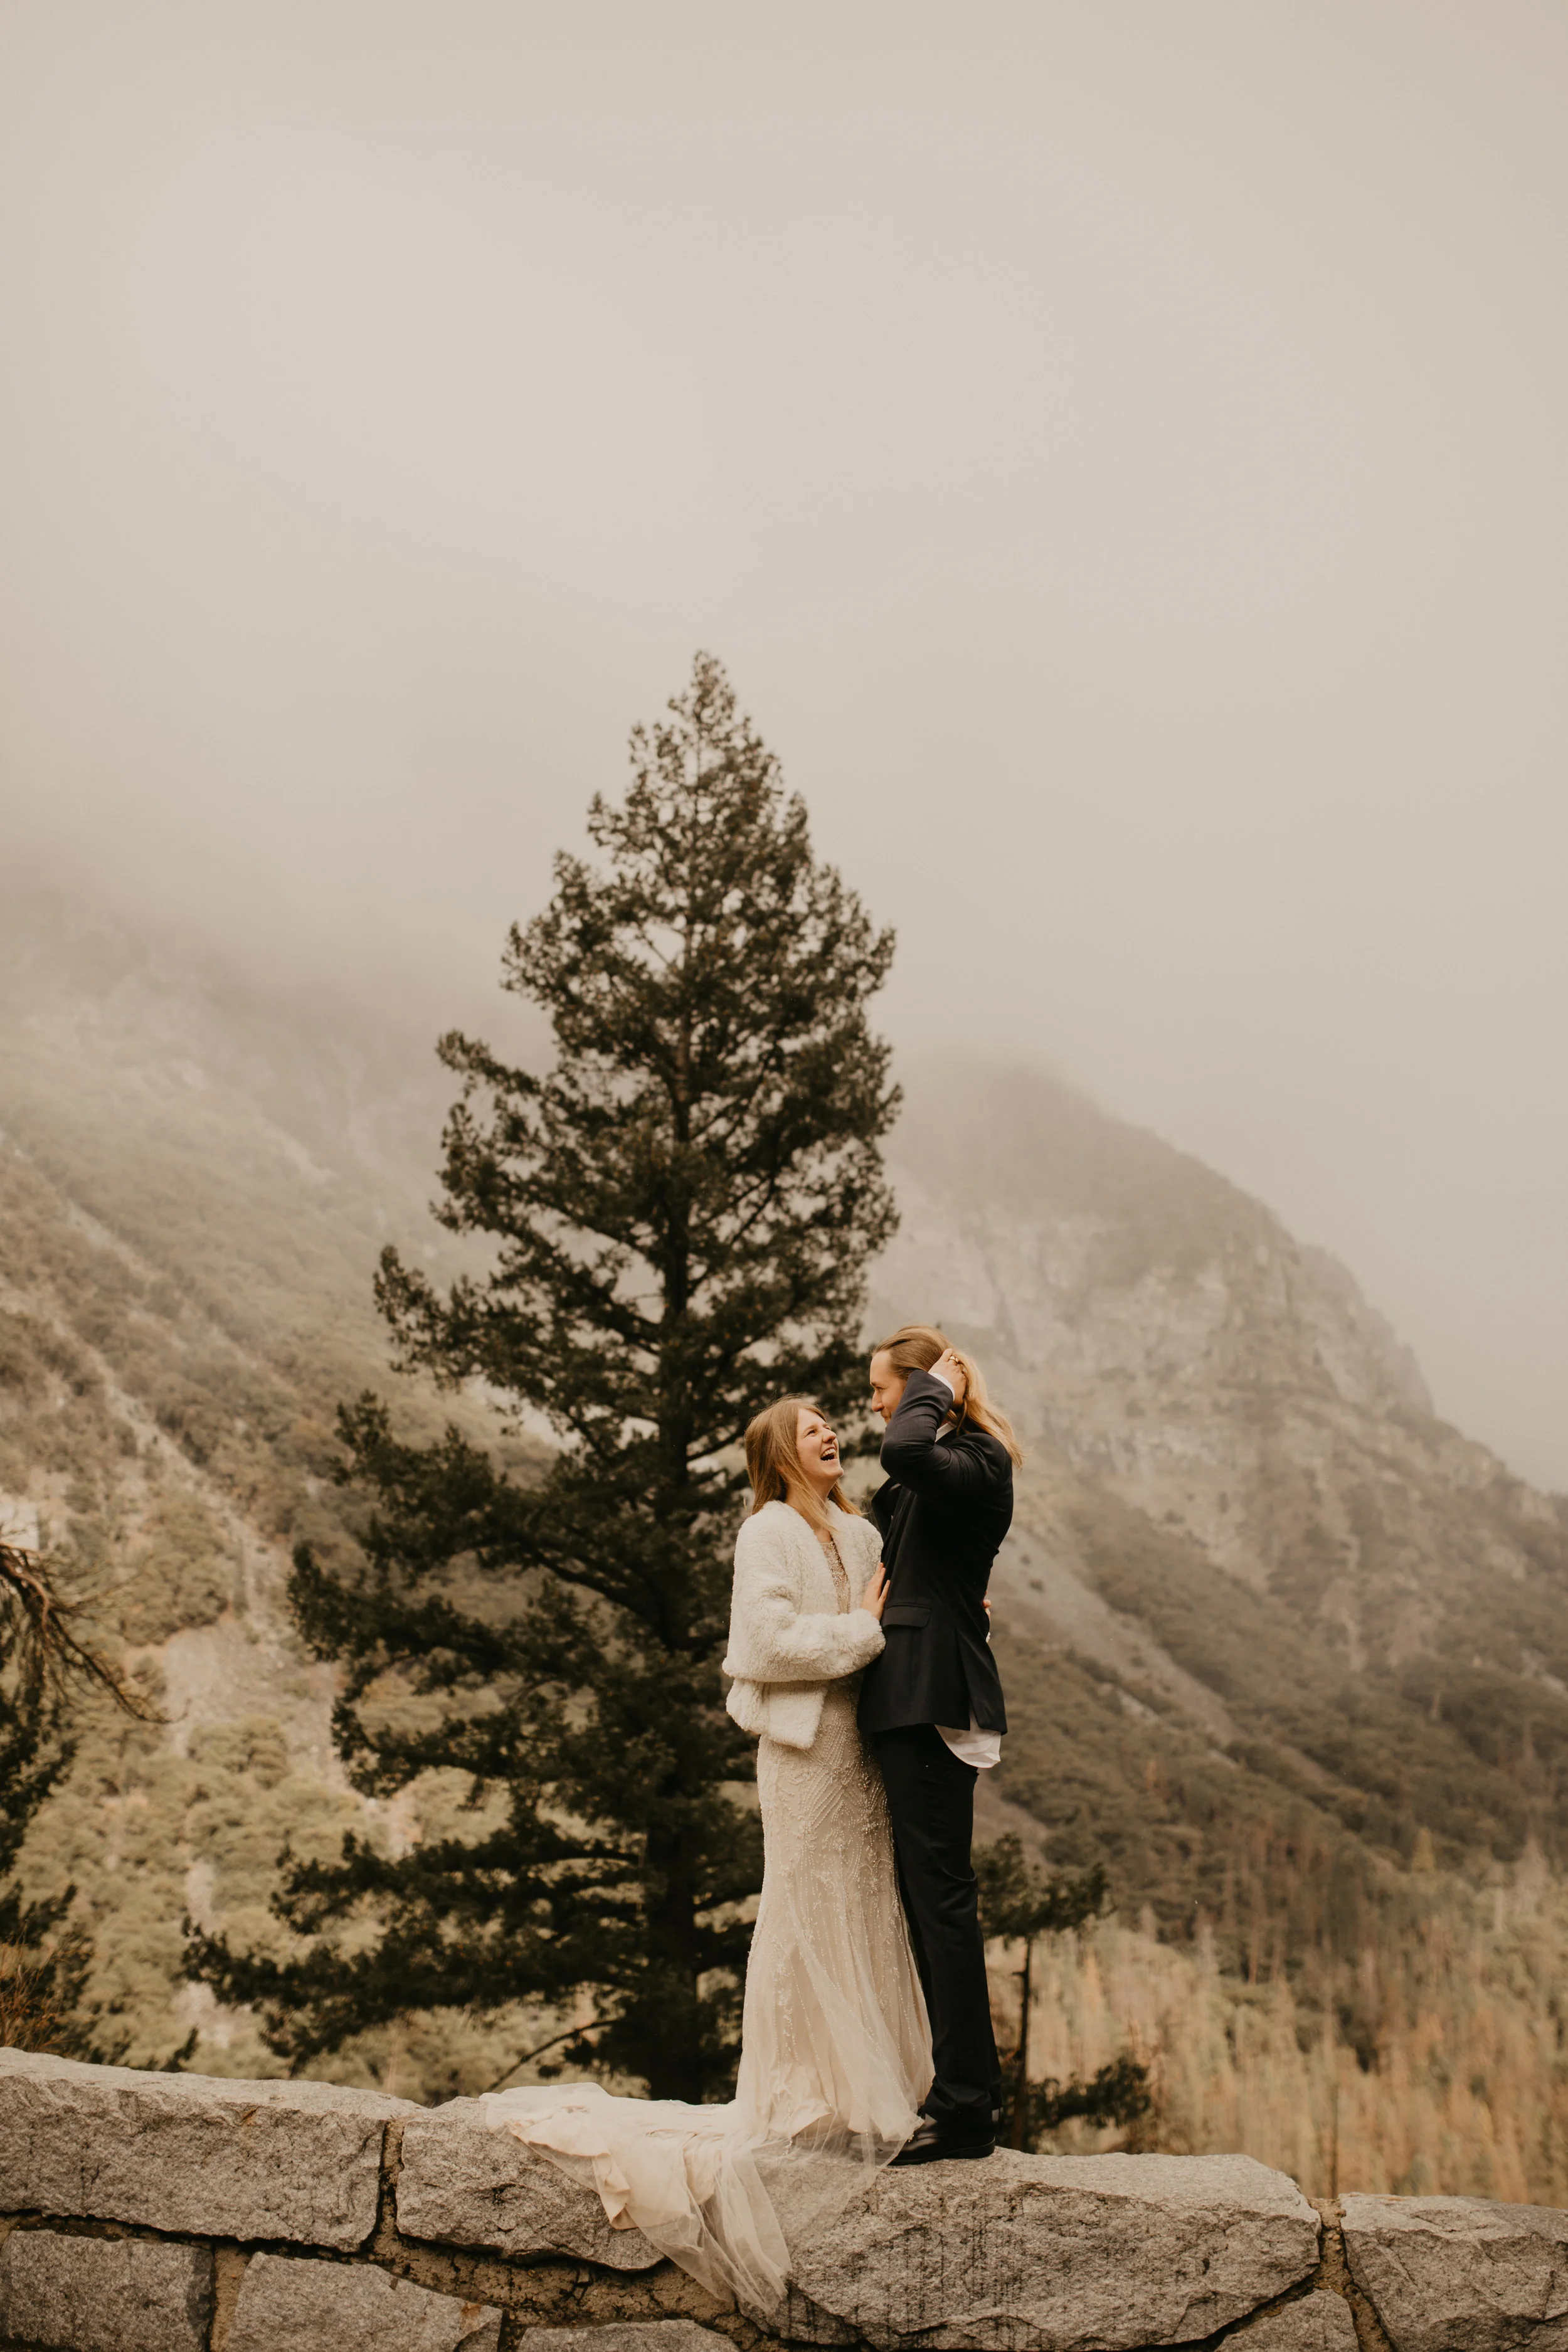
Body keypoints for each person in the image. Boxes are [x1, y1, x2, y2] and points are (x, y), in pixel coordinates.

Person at [477, 1394, 931, 2312]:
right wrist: (861, 1631)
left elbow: (908, 1608)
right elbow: (763, 1642)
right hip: (805, 1757)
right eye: (810, 1427)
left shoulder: (861, 1530)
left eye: (830, 1422)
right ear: (780, 1452)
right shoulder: (765, 1532)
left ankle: (867, 2092)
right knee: (806, 1903)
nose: (830, 1432)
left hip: (866, 1752)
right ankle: (805, 2093)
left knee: (865, 1899)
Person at [857, 1324, 1021, 2164]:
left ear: (924, 1387)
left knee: (943, 1902)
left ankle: (965, 2108)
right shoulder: (943, 1472)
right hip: (911, 1693)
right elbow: (895, 1499)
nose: (875, 1405)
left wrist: (936, 1389)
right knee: (931, 1903)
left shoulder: (978, 1458)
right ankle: (957, 2093)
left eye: (883, 1388)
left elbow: (903, 1452)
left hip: (933, 1699)